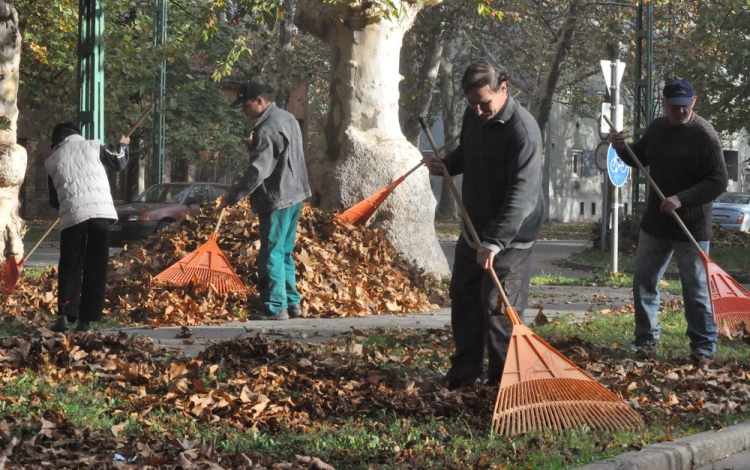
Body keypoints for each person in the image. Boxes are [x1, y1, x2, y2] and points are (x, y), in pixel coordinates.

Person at [422, 61, 545, 389]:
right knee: (463, 299)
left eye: (484, 103)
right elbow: (470, 153)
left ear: (503, 88)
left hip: (512, 237)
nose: (477, 111)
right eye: (471, 103)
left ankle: (505, 384)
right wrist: (445, 164)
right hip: (474, 229)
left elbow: (523, 195)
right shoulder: (473, 115)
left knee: (497, 307)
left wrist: (495, 241)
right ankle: (464, 375)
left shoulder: (523, 131)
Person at [608, 78, 728, 361]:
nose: (680, 112)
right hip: (656, 224)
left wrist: (681, 198)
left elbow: (718, 181)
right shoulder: (658, 129)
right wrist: (621, 148)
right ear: (664, 104)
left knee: (696, 290)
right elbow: (638, 158)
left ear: (693, 102)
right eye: (674, 106)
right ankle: (645, 341)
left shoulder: (705, 136)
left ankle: (703, 348)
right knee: (644, 282)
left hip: (691, 227)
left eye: (685, 106)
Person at [226, 81, 311, 321]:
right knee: (284, 252)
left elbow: (258, 171)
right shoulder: (288, 118)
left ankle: (275, 307)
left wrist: (233, 196)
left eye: (245, 105)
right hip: (296, 193)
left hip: (277, 197)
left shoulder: (266, 129)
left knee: (271, 253)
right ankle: (293, 303)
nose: (244, 111)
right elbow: (281, 154)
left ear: (259, 101)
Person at [46, 122, 130, 333]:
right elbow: (118, 163)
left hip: (73, 216)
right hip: (101, 215)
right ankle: (86, 320)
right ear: (77, 135)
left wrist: (67, 205)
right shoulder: (93, 145)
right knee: (96, 266)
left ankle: (65, 316)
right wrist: (124, 145)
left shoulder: (51, 160)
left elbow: (53, 200)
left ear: (56, 140)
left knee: (70, 266)